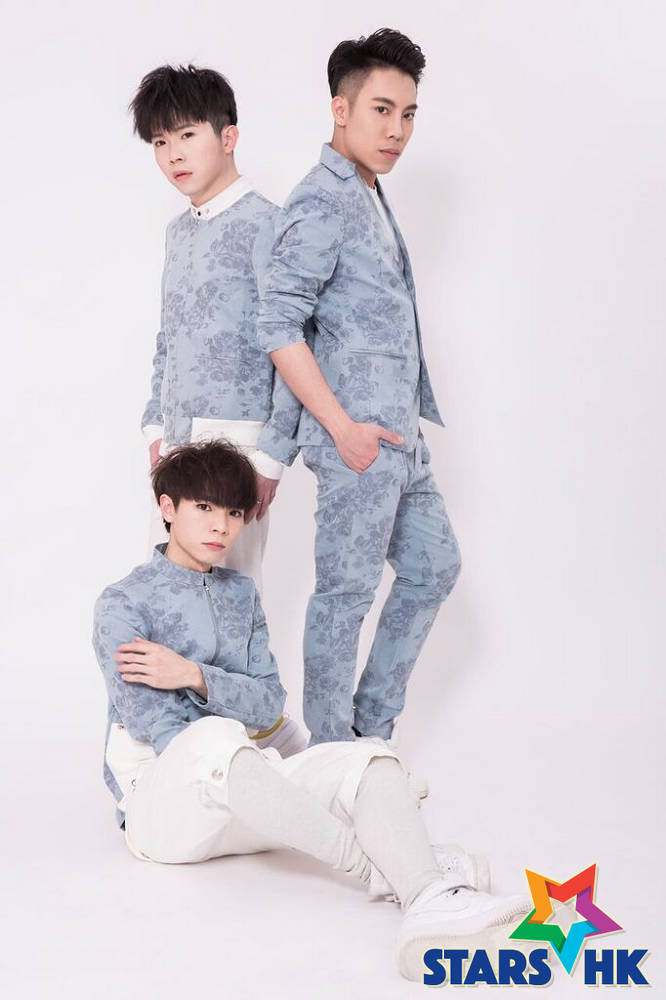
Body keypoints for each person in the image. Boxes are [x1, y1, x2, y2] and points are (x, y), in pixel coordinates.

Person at [92, 441, 528, 982]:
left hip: (250, 791)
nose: (221, 526)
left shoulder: (240, 595)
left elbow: (268, 704)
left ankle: (428, 901)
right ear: (167, 507)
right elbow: (155, 725)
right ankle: (388, 872)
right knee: (215, 737)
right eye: (204, 507)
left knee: (365, 758)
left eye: (234, 512)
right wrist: (228, 714)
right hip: (164, 809)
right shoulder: (123, 603)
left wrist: (194, 675)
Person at [255, 29, 461, 747]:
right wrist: (341, 429)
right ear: (340, 109)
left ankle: (369, 738)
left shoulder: (369, 192)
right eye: (382, 110)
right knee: (344, 598)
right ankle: (333, 760)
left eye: (408, 114)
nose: (397, 129)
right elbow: (278, 323)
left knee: (434, 567)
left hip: (402, 439)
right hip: (358, 441)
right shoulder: (322, 200)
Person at [130, 63, 302, 594]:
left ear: (228, 137)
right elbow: (169, 337)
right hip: (176, 445)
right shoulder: (177, 233)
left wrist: (270, 457)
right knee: (171, 601)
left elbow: (297, 346)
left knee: (229, 601)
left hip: (239, 447)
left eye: (186, 135)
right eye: (160, 142)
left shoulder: (271, 226)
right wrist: (156, 430)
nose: (173, 155)